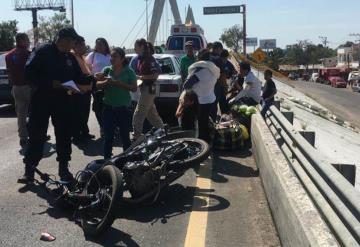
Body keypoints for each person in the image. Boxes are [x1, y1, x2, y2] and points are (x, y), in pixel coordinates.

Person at [18, 27, 91, 184]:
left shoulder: (69, 58)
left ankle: (64, 169)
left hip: (63, 102)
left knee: (64, 135)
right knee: (36, 135)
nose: (73, 44)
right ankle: (29, 171)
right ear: (63, 39)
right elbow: (28, 74)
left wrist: (94, 79)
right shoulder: (43, 51)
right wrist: (51, 84)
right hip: (41, 101)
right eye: (72, 41)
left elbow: (80, 78)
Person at [95, 48, 137, 158]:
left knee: (125, 138)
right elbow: (98, 85)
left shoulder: (129, 71)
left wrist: (117, 83)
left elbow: (134, 88)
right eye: (111, 56)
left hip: (124, 109)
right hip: (108, 108)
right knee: (108, 137)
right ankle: (107, 161)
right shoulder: (107, 70)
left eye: (115, 56)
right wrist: (105, 81)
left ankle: (127, 161)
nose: (112, 58)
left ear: (122, 59)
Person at [181, 49, 220, 142]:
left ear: (199, 58)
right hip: (211, 99)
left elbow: (186, 85)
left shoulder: (198, 71)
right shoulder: (214, 70)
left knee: (200, 124)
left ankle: (201, 145)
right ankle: (208, 142)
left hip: (200, 101)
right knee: (207, 122)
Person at [132, 42, 164, 139]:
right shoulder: (141, 59)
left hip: (149, 87)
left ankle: (136, 135)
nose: (134, 49)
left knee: (139, 112)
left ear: (141, 47)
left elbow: (155, 75)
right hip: (146, 88)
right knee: (151, 114)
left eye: (136, 47)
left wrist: (141, 77)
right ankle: (163, 130)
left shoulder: (149, 59)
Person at [5, 33, 31, 147]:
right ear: (21, 40)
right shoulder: (28, 54)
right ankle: (36, 134)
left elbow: (9, 71)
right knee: (35, 112)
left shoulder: (8, 55)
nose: (28, 41)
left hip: (16, 87)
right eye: (27, 39)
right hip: (28, 86)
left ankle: (23, 137)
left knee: (21, 113)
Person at [71, 36, 95, 142]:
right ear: (76, 46)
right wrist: (92, 77)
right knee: (77, 115)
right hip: (78, 90)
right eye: (83, 45)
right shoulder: (72, 57)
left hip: (86, 89)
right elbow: (77, 76)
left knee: (85, 113)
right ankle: (77, 136)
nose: (85, 47)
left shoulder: (82, 57)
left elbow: (87, 71)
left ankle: (85, 132)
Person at [85, 38, 111, 136]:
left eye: (101, 44)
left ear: (105, 45)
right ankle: (102, 127)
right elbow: (86, 68)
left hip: (109, 83)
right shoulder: (92, 55)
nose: (98, 46)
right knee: (98, 107)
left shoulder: (110, 55)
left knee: (109, 106)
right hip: (97, 84)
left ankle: (110, 125)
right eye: (97, 44)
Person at [210, 41, 229, 120]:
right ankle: (215, 122)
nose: (221, 52)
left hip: (205, 86)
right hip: (216, 85)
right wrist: (225, 87)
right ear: (218, 49)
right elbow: (223, 75)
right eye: (221, 50)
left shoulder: (206, 57)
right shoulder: (218, 59)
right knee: (215, 105)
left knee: (209, 106)